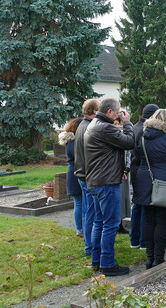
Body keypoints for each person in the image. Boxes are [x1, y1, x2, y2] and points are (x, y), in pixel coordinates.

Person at [84, 98, 135, 276]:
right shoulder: (105, 127)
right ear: (110, 112)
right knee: (111, 224)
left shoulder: (94, 124)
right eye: (118, 111)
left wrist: (121, 167)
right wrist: (127, 123)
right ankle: (107, 264)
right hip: (106, 183)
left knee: (99, 222)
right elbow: (129, 142)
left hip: (97, 181)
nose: (119, 114)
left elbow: (109, 152)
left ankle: (97, 260)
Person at [132, 109, 166, 269]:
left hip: (145, 181)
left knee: (149, 221)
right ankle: (158, 259)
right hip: (165, 183)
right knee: (162, 223)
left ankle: (149, 258)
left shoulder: (143, 136)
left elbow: (137, 157)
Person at [130, 104, 159, 250]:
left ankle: (134, 239)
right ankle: (143, 241)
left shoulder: (136, 127)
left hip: (135, 169)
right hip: (142, 170)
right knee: (143, 206)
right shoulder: (145, 130)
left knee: (137, 205)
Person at [74, 98, 100, 257]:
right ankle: (89, 247)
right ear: (95, 111)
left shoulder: (81, 125)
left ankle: (90, 245)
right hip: (87, 176)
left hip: (83, 174)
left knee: (88, 211)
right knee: (91, 212)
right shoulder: (89, 127)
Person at [59, 118, 83, 237]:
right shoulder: (74, 142)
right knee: (79, 203)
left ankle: (80, 229)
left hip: (72, 172)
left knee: (78, 203)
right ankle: (80, 230)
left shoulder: (69, 141)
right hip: (76, 172)